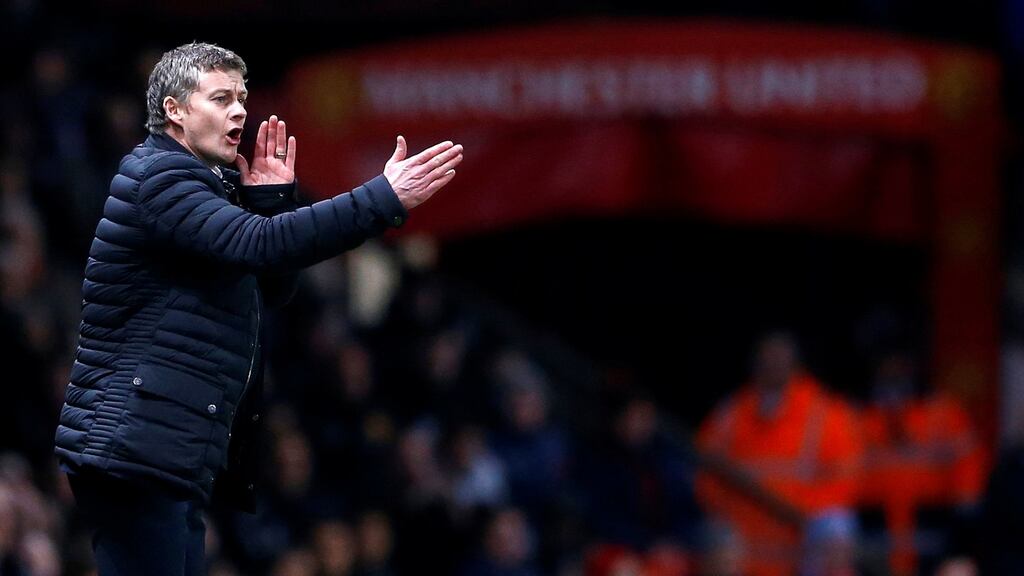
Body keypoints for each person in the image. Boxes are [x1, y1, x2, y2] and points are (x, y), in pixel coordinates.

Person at [52, 41, 463, 575]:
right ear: (174, 110)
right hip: (133, 447)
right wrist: (380, 199)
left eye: (242, 98)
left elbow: (271, 289)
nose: (240, 111)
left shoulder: (206, 186)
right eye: (221, 98)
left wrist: (270, 201)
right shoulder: (159, 177)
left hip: (166, 450)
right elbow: (262, 244)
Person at [695, 331, 864, 576]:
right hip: (743, 537)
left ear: (796, 365)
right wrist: (729, 509)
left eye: (780, 360)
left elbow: (846, 481)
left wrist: (800, 507)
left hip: (802, 534)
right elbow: (705, 476)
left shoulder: (827, 415)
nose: (773, 367)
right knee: (712, 536)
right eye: (766, 361)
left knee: (835, 526)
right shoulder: (730, 415)